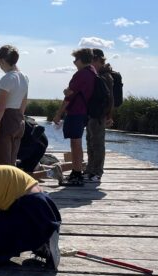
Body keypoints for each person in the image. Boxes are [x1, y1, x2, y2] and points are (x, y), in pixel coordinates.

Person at [52, 48, 97, 186]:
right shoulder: (92, 72)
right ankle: (76, 172)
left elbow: (69, 96)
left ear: (82, 59)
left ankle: (76, 175)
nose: (74, 62)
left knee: (75, 143)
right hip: (84, 112)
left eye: (75, 59)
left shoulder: (81, 74)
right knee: (77, 142)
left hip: (76, 112)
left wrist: (58, 113)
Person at [0, 45, 29, 165]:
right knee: (11, 163)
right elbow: (23, 103)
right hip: (19, 121)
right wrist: (19, 120)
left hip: (6, 121)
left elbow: (1, 108)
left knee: (0, 164)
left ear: (2, 60)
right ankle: (12, 184)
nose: (0, 67)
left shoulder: (7, 79)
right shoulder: (24, 77)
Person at [84, 48, 114, 182]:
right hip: (91, 115)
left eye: (92, 60)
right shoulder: (96, 74)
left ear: (97, 60)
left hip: (99, 116)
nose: (90, 63)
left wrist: (108, 115)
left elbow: (110, 99)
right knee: (90, 142)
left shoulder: (105, 76)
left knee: (98, 144)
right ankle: (90, 170)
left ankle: (97, 172)